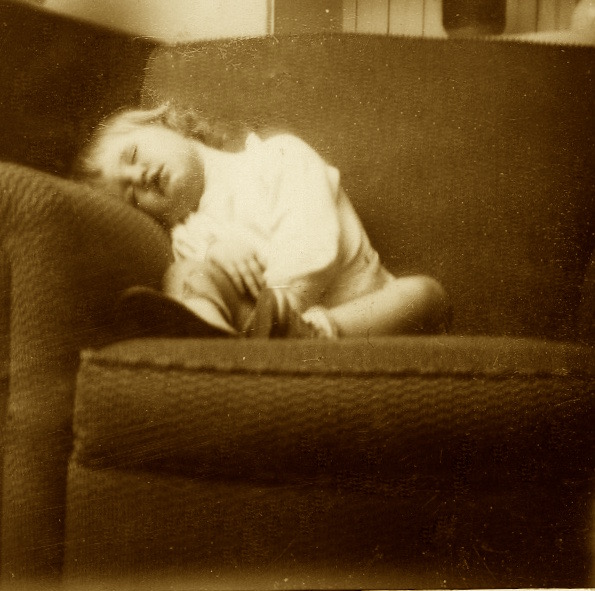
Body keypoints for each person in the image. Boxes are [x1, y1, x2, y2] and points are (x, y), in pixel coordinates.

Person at [77, 103, 452, 338]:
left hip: (364, 314)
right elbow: (211, 284)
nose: (139, 176)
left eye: (132, 155)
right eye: (131, 195)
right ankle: (216, 347)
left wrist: (285, 302)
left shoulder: (276, 156)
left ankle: (311, 336)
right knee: (184, 275)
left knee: (425, 294)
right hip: (260, 329)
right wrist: (213, 256)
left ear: (164, 122)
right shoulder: (188, 236)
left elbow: (313, 238)